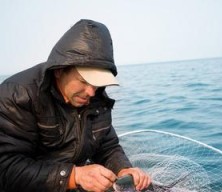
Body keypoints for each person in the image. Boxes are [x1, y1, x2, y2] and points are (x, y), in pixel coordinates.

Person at [0, 19, 151, 192]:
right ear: (59, 70)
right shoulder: (17, 95)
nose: (92, 92)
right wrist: (74, 176)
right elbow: (6, 167)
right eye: (84, 81)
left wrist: (123, 169)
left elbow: (107, 146)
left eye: (97, 83)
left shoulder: (97, 99)